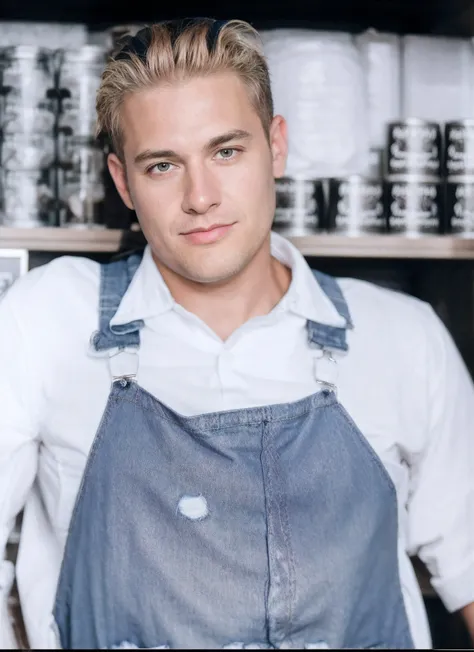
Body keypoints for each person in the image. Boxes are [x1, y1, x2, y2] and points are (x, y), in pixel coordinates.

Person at [0, 17, 473, 650]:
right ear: (123, 183)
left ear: (276, 147)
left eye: (227, 151)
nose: (201, 196)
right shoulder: (46, 322)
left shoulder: (402, 341)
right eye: (163, 165)